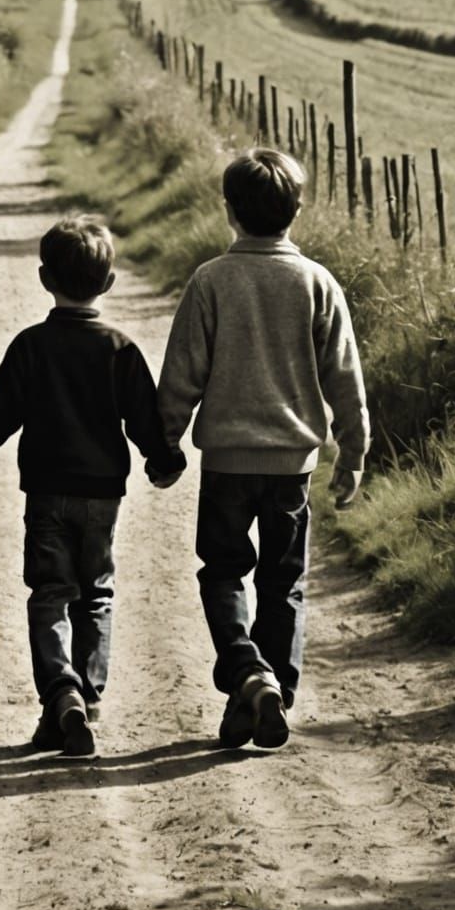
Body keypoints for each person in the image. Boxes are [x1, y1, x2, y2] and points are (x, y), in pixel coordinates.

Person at [156, 147, 369, 751]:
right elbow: (345, 380)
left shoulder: (211, 281)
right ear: (296, 211)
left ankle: (248, 676)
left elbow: (182, 374)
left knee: (222, 573)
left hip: (226, 462)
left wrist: (165, 441)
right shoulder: (316, 283)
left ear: (229, 212)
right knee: (284, 586)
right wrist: (352, 454)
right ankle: (271, 684)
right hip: (291, 469)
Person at [0, 215, 185, 756]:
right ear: (108, 283)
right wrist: (162, 458)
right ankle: (88, 694)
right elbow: (143, 420)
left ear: (42, 278)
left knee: (51, 593)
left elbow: (2, 412)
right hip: (103, 495)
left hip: (47, 492)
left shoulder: (31, 346)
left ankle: (61, 693)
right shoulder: (121, 349)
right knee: (96, 592)